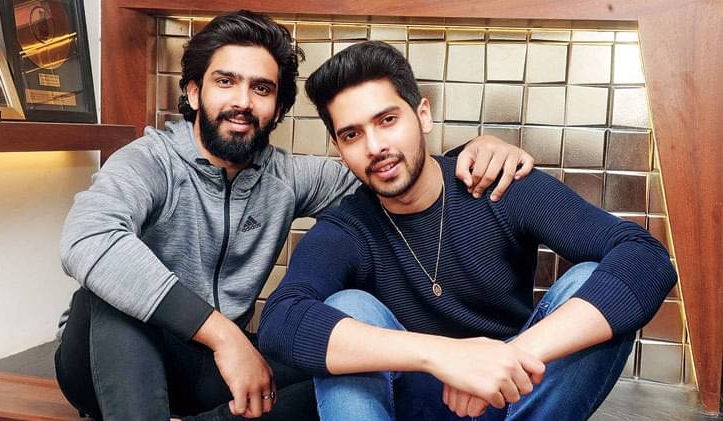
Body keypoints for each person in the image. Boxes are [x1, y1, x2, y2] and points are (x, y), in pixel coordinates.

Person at [55, 11, 534, 421]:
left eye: (261, 88)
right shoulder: (151, 161)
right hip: (110, 363)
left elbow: (390, 173)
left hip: (214, 376)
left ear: (278, 108)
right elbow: (88, 239)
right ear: (194, 92)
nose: (242, 101)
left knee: (350, 366)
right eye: (225, 82)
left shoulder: (286, 177)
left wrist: (476, 151)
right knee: (108, 295)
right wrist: (224, 336)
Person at [257, 41, 677, 421]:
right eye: (352, 135)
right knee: (349, 306)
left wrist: (508, 357)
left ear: (422, 115)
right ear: (338, 148)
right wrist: (446, 356)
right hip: (410, 407)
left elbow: (646, 257)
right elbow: (281, 320)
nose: (375, 146)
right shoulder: (348, 228)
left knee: (589, 279)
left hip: (518, 399)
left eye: (387, 120)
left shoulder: (500, 185)